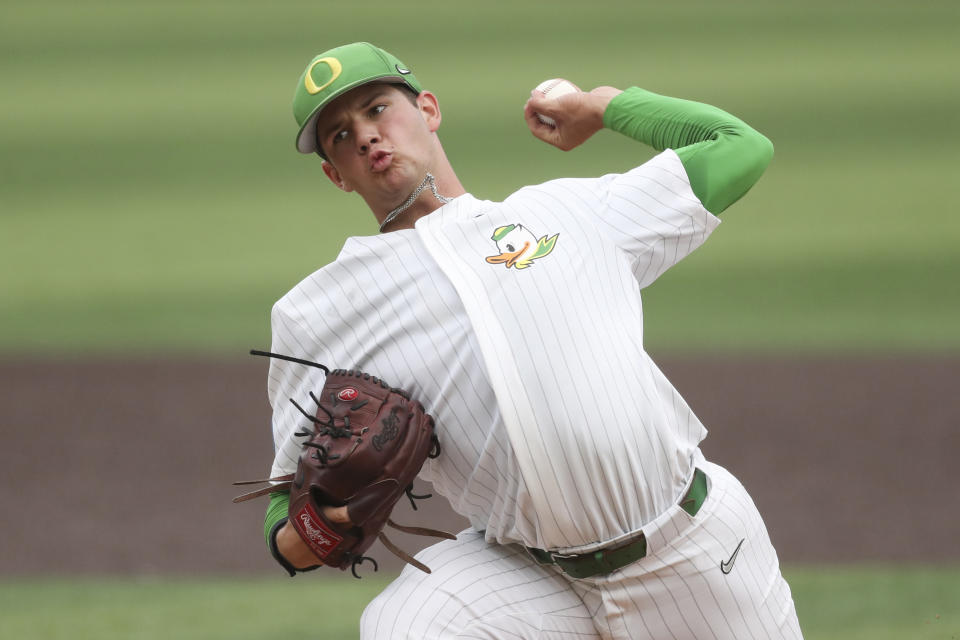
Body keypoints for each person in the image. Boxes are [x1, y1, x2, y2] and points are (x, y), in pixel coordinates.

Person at [259, 41, 803, 639]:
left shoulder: (568, 212)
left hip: (690, 552)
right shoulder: (320, 313)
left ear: (429, 111)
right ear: (335, 174)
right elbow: (285, 510)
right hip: (527, 577)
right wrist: (317, 528)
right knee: (404, 627)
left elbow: (740, 148)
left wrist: (601, 107)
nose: (364, 136)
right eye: (340, 135)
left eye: (377, 108)